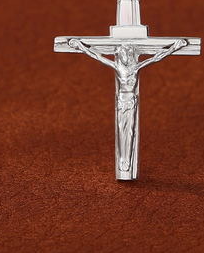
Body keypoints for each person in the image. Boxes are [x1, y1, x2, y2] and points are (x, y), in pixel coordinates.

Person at [68, 38, 187, 173]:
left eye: (129, 53)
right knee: (121, 128)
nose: (127, 56)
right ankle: (123, 159)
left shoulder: (136, 67)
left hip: (131, 100)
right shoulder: (118, 67)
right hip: (121, 100)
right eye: (125, 53)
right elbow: (97, 56)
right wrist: (80, 46)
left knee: (129, 130)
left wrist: (174, 47)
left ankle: (127, 160)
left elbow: (156, 58)